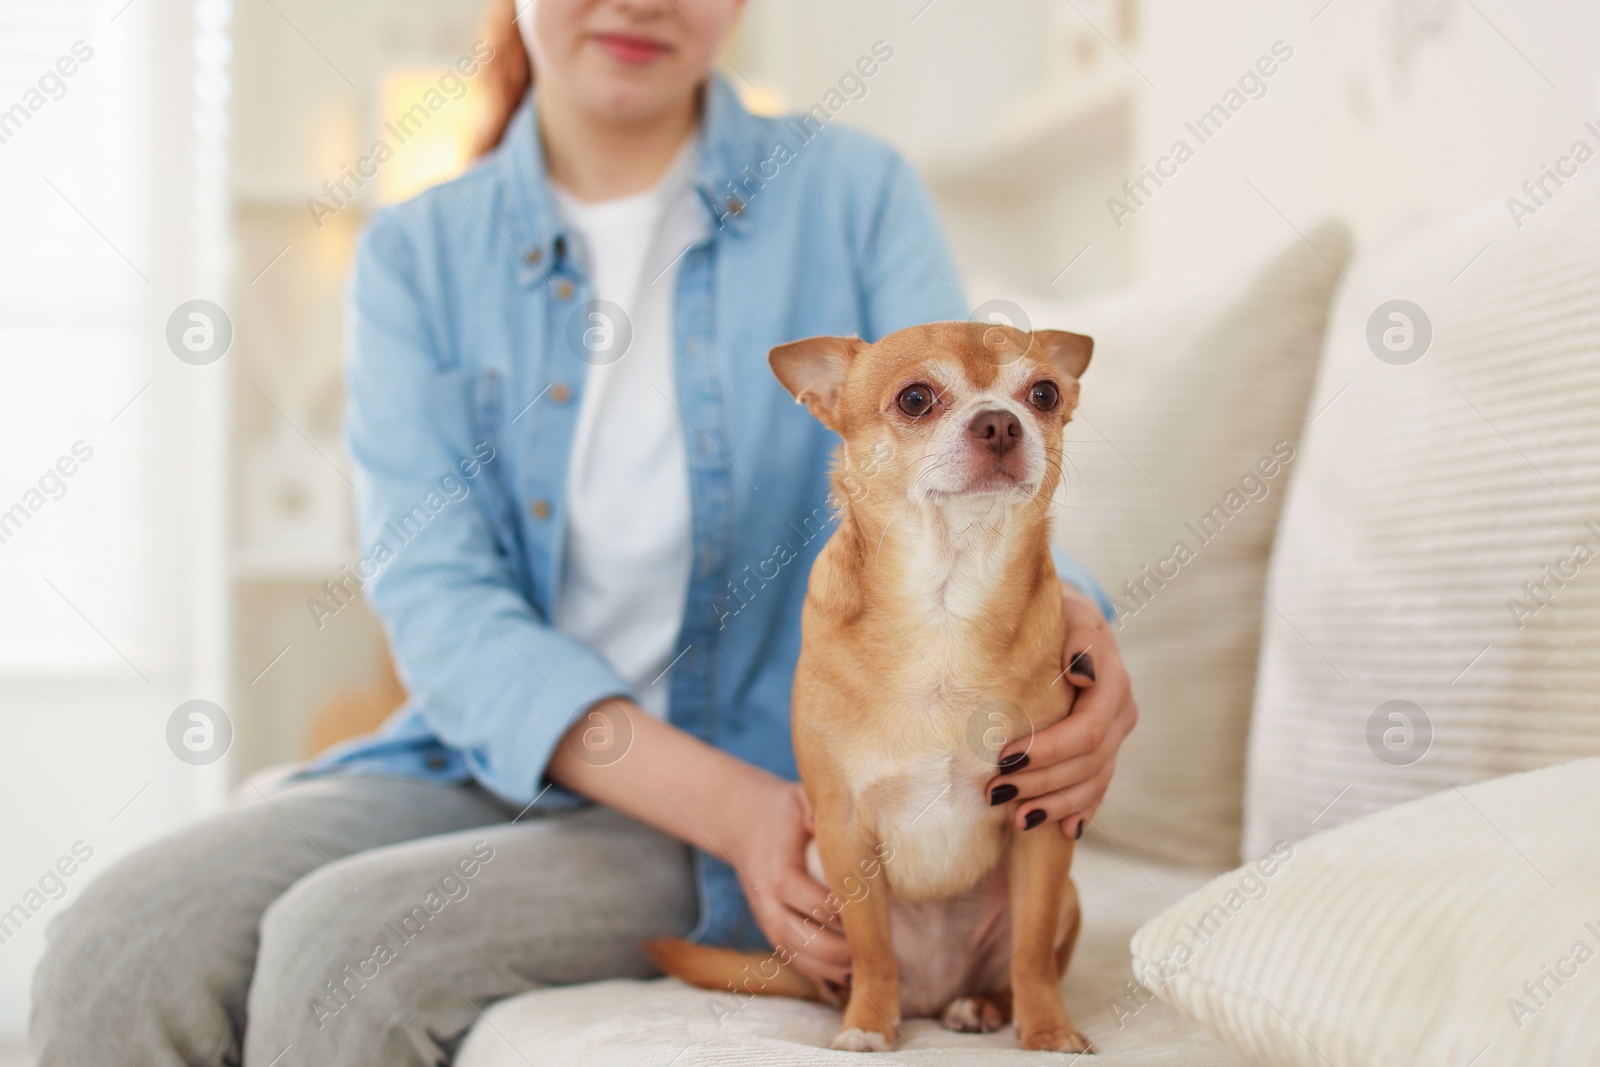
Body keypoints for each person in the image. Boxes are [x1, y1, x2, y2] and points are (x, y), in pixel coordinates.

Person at [32, 0, 1138, 1062]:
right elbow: (437, 595)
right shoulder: (417, 253)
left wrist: (1079, 637)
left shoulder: (851, 194)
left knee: (342, 951)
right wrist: (738, 812)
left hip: (772, 779)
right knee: (115, 949)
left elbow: (973, 461)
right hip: (491, 762)